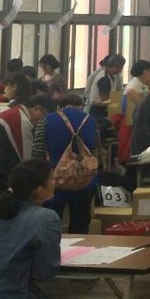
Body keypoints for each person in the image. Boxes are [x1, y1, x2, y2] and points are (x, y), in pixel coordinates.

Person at [0, 159, 81, 299]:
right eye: (51, 178)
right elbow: (44, 273)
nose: (55, 182)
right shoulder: (46, 218)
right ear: (39, 190)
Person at [43, 94, 99, 233]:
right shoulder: (91, 120)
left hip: (55, 180)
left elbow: (37, 151)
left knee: (51, 222)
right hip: (84, 181)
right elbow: (97, 150)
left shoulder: (47, 119)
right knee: (81, 222)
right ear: (80, 106)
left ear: (59, 107)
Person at [0, 93, 52, 194]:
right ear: (37, 109)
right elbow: (26, 161)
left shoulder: (17, 111)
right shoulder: (23, 121)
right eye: (42, 117)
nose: (40, 122)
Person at [84, 54, 124, 118]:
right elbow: (105, 100)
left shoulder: (111, 76)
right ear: (115, 66)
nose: (121, 70)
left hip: (104, 109)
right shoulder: (104, 79)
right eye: (121, 67)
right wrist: (119, 101)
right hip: (98, 111)